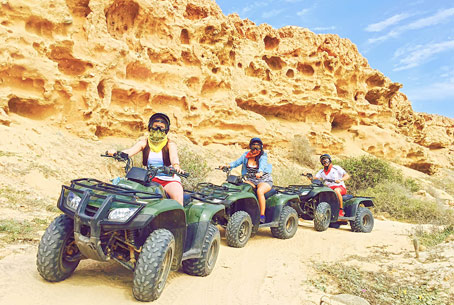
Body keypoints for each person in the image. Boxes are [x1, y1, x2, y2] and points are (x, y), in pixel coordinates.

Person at [107, 113, 185, 205]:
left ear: (166, 130)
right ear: (150, 127)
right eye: (155, 126)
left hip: (168, 180)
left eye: (161, 127)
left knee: (178, 199)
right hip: (150, 179)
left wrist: (176, 166)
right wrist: (116, 153)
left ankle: (177, 219)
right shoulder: (144, 143)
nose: (158, 130)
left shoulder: (170, 145)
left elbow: (174, 157)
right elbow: (130, 152)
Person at [223, 137, 273, 223]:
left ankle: (262, 215)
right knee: (241, 189)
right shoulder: (246, 155)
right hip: (251, 180)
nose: (255, 147)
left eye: (257, 145)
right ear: (250, 146)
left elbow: (263, 165)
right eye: (253, 145)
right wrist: (227, 166)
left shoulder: (263, 156)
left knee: (260, 191)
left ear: (261, 147)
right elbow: (236, 162)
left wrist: (260, 172)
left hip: (264, 180)